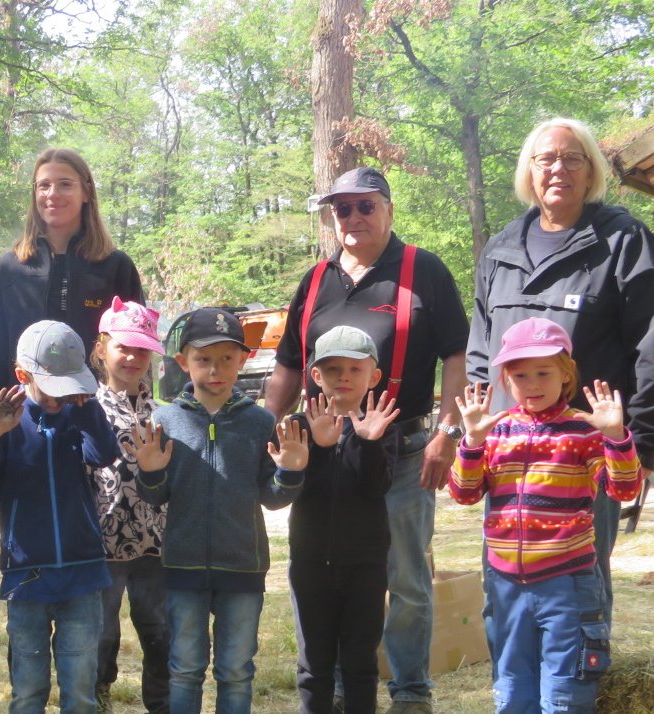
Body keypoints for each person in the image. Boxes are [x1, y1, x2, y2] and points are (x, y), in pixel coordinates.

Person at [265, 166, 469, 714]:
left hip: (402, 452)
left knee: (405, 579)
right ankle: (336, 689)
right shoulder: (316, 280)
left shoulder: (423, 270)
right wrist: (262, 425)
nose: (353, 217)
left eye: (365, 205)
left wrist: (447, 432)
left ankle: (410, 693)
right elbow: (288, 365)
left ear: (388, 209)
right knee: (328, 568)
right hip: (324, 454)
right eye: (342, 208)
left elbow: (456, 356)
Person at [467, 118, 654, 625]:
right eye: (546, 159)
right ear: (528, 170)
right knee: (504, 584)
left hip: (585, 455)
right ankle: (515, 675)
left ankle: (579, 676)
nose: (558, 169)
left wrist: (642, 442)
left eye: (573, 159)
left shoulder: (623, 241)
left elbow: (649, 347)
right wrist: (475, 433)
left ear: (591, 171)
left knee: (578, 589)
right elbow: (480, 348)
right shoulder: (501, 249)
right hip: (508, 453)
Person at [452, 318, 641, 712]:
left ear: (566, 374)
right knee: (512, 690)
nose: (532, 384)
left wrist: (616, 437)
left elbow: (624, 489)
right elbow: (464, 493)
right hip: (506, 584)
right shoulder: (497, 432)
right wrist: (471, 442)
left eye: (543, 373)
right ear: (506, 379)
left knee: (565, 692)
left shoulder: (583, 432)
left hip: (567, 583)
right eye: (520, 375)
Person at [138, 307, 309, 714]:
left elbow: (272, 497)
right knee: (185, 668)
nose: (215, 369)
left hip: (243, 568)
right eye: (203, 359)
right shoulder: (165, 421)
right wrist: (150, 472)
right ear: (183, 362)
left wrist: (290, 471)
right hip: (183, 568)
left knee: (235, 670)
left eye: (226, 358)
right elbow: (155, 497)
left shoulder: (260, 422)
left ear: (243, 360)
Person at [0, 320, 119, 714]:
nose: (60, 397)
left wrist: (88, 410)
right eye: (52, 387)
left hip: (83, 573)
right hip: (26, 576)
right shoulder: (6, 423)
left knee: (80, 692)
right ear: (22, 376)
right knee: (28, 690)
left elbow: (103, 454)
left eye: (68, 385)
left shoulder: (78, 414)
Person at [0, 148, 144, 432]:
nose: (52, 193)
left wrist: (137, 419)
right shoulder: (11, 269)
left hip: (98, 424)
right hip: (23, 427)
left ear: (86, 192)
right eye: (44, 185)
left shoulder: (115, 268)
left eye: (65, 184)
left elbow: (137, 352)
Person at [287, 327, 401, 714]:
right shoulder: (299, 426)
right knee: (314, 662)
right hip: (310, 562)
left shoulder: (382, 426)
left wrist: (368, 442)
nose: (344, 377)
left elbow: (376, 487)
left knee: (359, 660)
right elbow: (296, 489)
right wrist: (319, 448)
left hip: (365, 564)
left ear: (374, 376)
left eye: (355, 369)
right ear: (316, 376)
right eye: (333, 369)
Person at [86, 297, 171, 713]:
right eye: (124, 348)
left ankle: (162, 702)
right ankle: (97, 695)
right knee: (102, 633)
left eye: (142, 350)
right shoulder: (85, 408)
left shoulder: (165, 414)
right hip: (102, 544)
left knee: (160, 630)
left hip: (157, 543)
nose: (134, 358)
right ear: (102, 348)